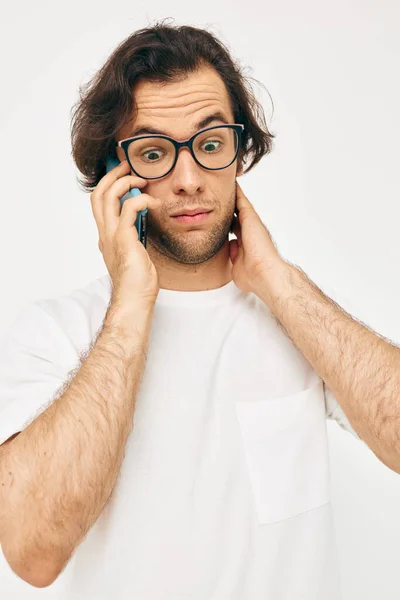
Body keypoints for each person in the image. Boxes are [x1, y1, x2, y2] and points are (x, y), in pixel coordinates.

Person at [0, 20, 397, 600]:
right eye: (155, 153)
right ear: (115, 173)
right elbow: (32, 553)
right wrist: (132, 301)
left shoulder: (297, 317)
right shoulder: (54, 333)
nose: (188, 180)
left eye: (210, 145)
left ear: (240, 154)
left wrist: (278, 283)